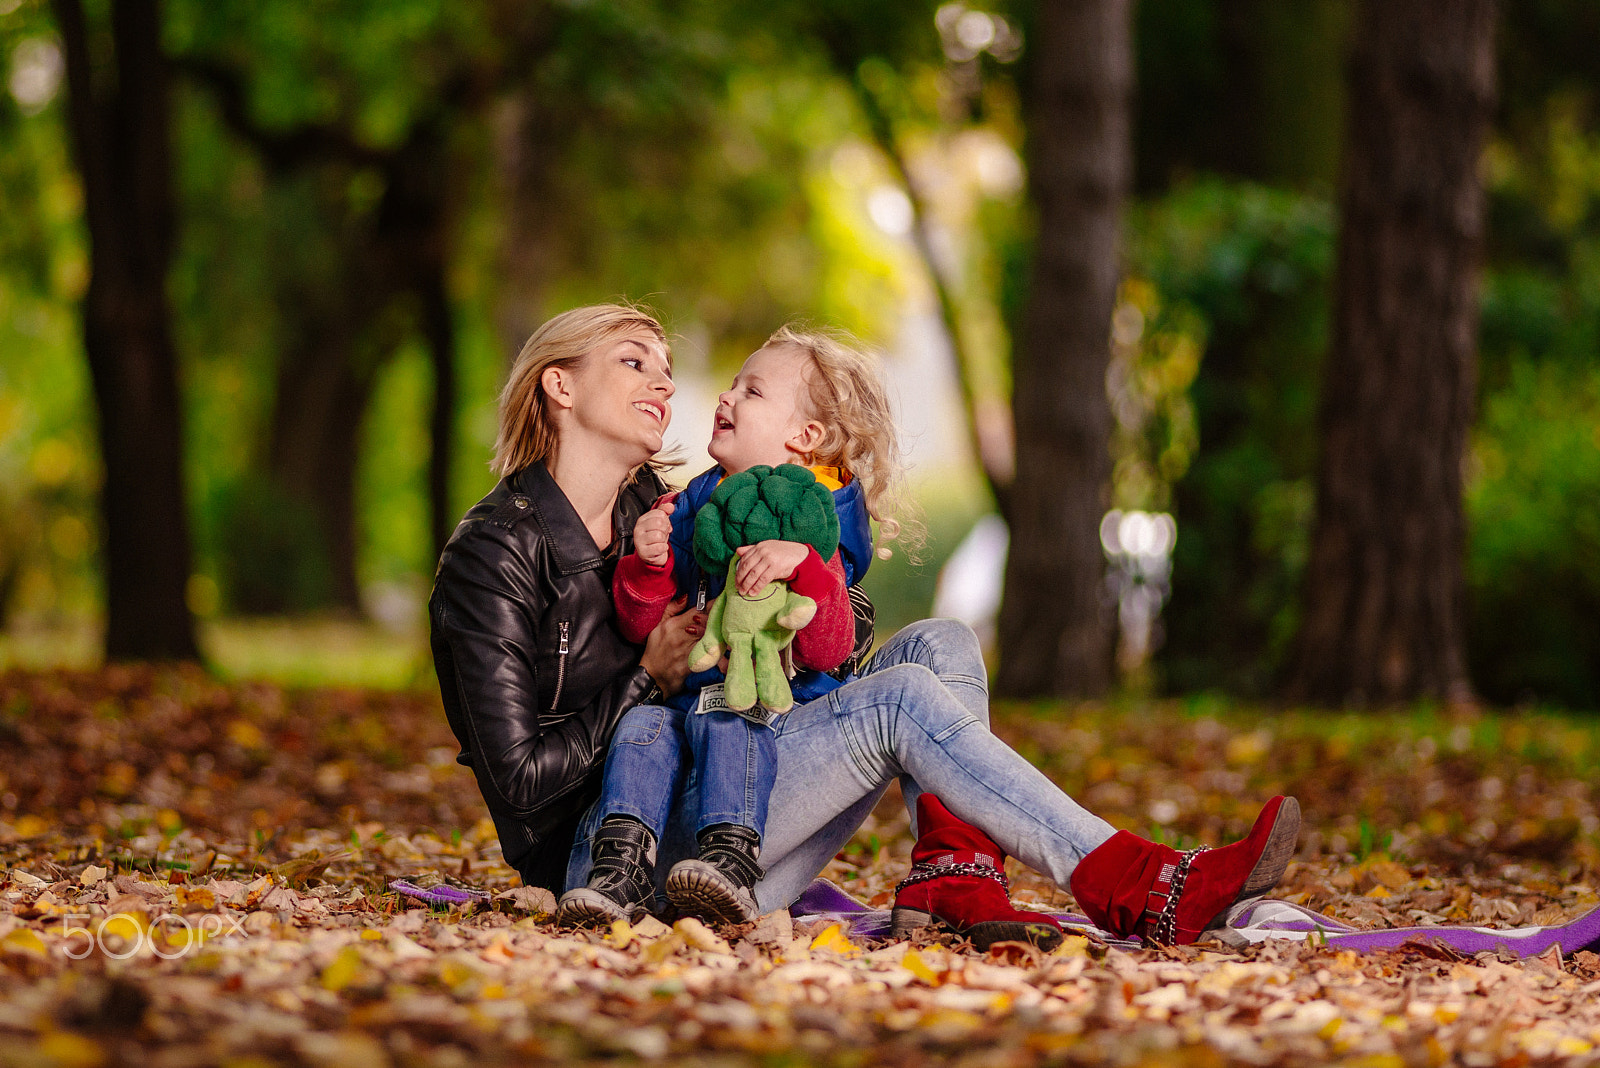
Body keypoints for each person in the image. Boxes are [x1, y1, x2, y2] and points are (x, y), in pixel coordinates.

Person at [430, 303, 1300, 950]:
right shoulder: (493, 554)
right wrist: (648, 678)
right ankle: (1141, 884)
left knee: (941, 643)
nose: (667, 381)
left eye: (666, 365)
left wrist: (801, 568)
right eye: (634, 362)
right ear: (560, 384)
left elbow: (808, 636)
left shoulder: (653, 509)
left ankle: (955, 879)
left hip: (725, 795)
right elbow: (520, 785)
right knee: (901, 702)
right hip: (617, 853)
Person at [557, 329, 895, 927]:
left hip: (781, 718)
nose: (727, 395)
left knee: (729, 711)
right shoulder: (693, 504)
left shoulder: (818, 516)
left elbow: (828, 647)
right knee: (642, 722)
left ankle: (731, 858)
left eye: (753, 391)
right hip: (692, 714)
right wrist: (648, 565)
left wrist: (809, 568)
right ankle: (620, 869)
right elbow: (640, 626)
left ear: (804, 437)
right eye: (733, 383)